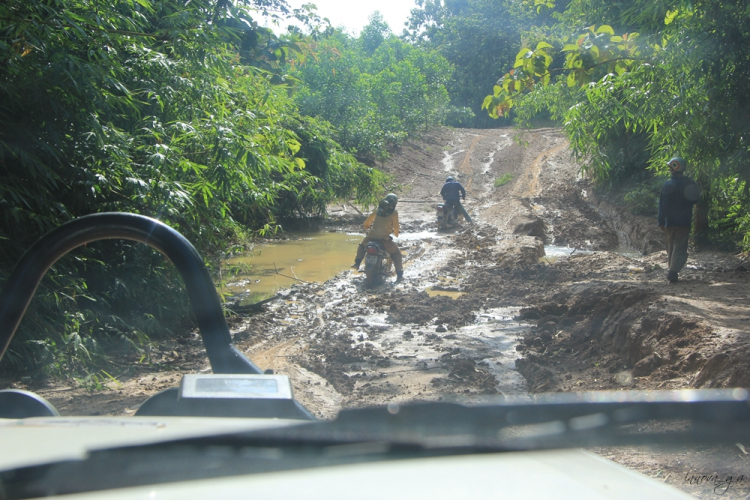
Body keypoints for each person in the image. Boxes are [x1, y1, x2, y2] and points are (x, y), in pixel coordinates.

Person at [658, 156, 700, 283]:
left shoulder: (667, 184)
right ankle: (673, 270)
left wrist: (660, 221)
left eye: (670, 167)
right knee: (680, 246)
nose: (670, 169)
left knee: (670, 246)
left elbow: (662, 204)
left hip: (669, 222)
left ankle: (672, 269)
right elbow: (695, 200)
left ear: (674, 168)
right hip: (684, 221)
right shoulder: (691, 183)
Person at [351, 193, 404, 282]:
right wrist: (396, 234)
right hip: (384, 240)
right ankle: (399, 275)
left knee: (362, 246)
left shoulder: (377, 210)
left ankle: (357, 263)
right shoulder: (394, 213)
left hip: (371, 237)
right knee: (396, 254)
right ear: (394, 203)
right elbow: (396, 228)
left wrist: (368, 227)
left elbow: (366, 223)